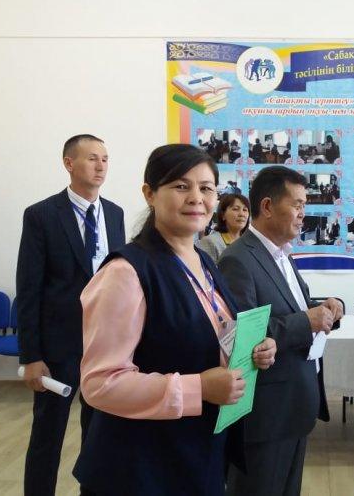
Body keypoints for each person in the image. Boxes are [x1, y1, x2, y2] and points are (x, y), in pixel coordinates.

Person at [73, 144, 276, 495]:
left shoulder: (203, 261)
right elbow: (100, 384)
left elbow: (207, 332)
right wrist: (199, 388)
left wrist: (251, 349)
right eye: (181, 186)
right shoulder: (126, 271)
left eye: (206, 188)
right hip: (139, 468)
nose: (196, 197)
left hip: (196, 453)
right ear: (150, 194)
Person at [217, 166, 344, 496]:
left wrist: (326, 307)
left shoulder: (282, 254)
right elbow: (243, 331)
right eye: (297, 205)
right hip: (266, 413)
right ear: (268, 206)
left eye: (305, 206)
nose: (303, 214)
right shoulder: (238, 259)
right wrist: (308, 320)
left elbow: (291, 306)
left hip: (293, 405)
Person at [16, 134, 126, 496]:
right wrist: (31, 356)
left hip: (105, 344)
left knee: (99, 435)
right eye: (92, 158)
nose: (100, 166)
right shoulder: (42, 215)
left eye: (105, 159)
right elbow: (29, 289)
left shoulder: (114, 213)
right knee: (48, 435)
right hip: (58, 346)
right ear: (69, 163)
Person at [199, 193, 251, 262]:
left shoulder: (250, 242)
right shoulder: (211, 242)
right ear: (223, 215)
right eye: (235, 209)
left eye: (245, 210)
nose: (242, 214)